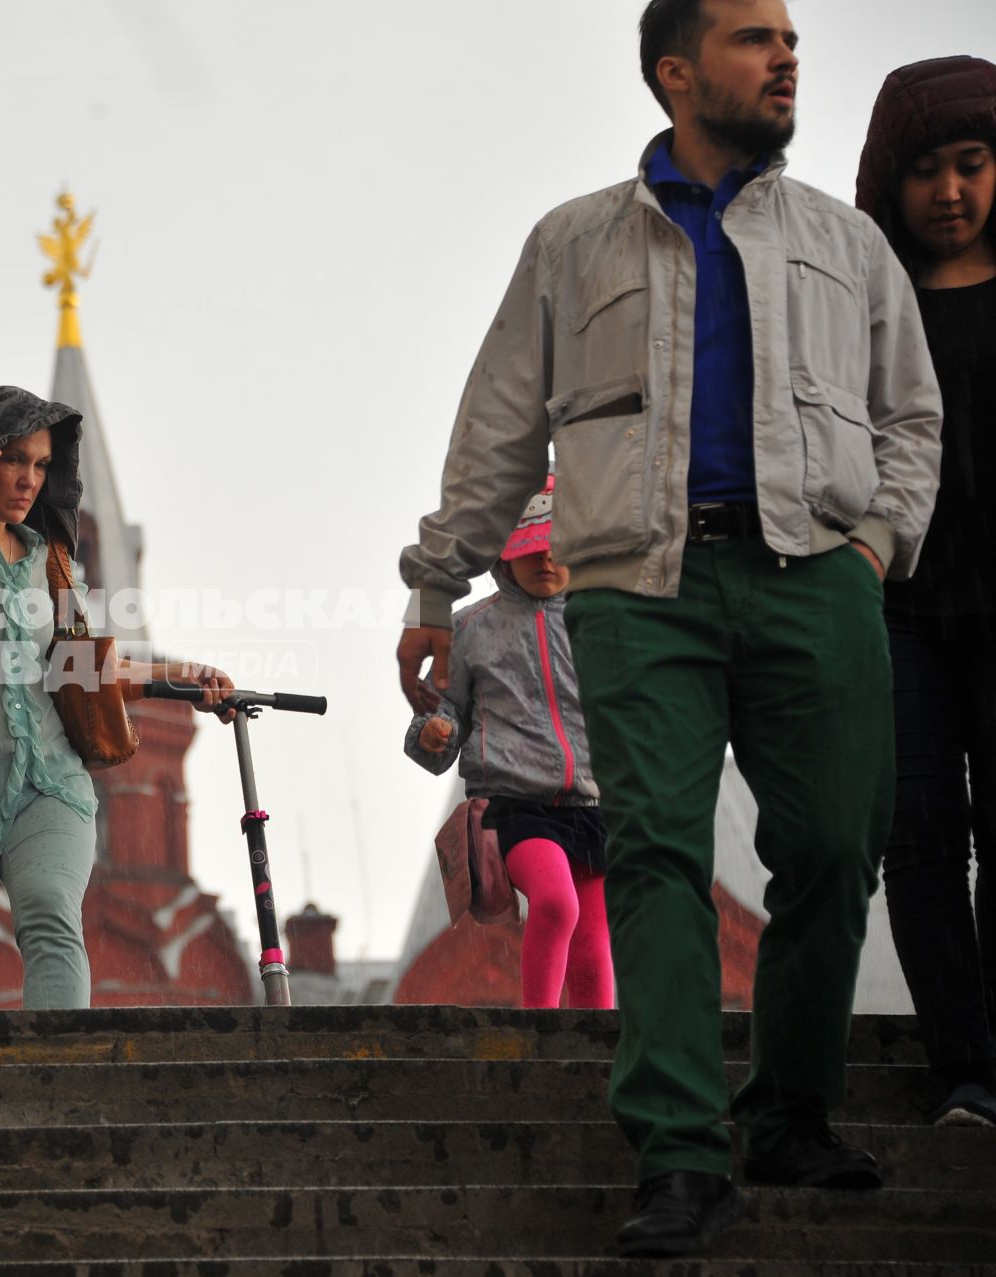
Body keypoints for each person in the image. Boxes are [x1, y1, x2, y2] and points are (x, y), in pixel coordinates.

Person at [394, 0, 943, 1257]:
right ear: (676, 72)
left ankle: (793, 1106)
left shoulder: (848, 244)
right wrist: (438, 584)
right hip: (638, 586)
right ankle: (683, 1148)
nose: (788, 54)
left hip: (818, 571)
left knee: (832, 841)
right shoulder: (574, 242)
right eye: (757, 37)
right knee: (648, 849)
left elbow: (909, 416)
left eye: (791, 36)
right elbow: (499, 425)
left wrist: (872, 548)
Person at [0, 386, 231, 1010]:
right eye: (14, 460)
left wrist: (184, 674)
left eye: (42, 466)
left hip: (47, 784)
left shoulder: (55, 563)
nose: (28, 480)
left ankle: (62, 1094)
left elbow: (81, 664)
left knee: (49, 915)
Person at [856, 56, 996, 1129]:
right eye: (926, 171)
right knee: (921, 832)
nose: (949, 191)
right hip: (899, 611)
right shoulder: (864, 310)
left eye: (973, 163)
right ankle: (964, 1067)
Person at [404, 480, 613, 1011]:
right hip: (516, 807)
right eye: (530, 548)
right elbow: (441, 706)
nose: (544, 558)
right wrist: (433, 731)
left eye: (556, 546)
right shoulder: (471, 629)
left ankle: (603, 1060)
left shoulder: (601, 622)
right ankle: (538, 1028)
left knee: (594, 943)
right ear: (503, 552)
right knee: (556, 904)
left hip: (591, 804)